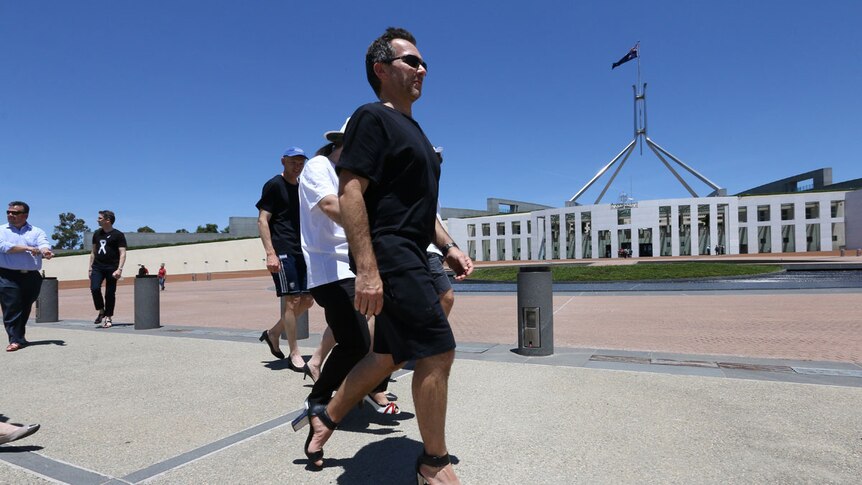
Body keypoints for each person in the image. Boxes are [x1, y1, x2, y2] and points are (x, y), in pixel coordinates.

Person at [304, 28, 473, 485]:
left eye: (424, 64)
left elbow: (421, 206)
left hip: (415, 251)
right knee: (438, 351)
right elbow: (351, 192)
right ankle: (433, 463)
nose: (422, 69)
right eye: (411, 61)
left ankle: (326, 416)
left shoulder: (415, 131)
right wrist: (367, 269)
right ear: (381, 69)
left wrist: (448, 245)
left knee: (386, 356)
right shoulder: (371, 118)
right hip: (392, 253)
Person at [293, 120, 397, 430]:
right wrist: (376, 225)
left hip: (353, 265)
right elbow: (329, 205)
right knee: (356, 343)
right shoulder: (318, 166)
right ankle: (321, 400)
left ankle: (353, 392)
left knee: (374, 336)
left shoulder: (350, 176)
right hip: (330, 268)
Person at [256, 146, 315, 372]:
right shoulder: (274, 185)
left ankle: (273, 333)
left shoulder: (302, 188)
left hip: (303, 251)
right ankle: (295, 352)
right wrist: (270, 253)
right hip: (283, 250)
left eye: (301, 162)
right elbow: (262, 220)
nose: (297, 166)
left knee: (308, 300)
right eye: (293, 161)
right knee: (291, 301)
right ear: (283, 161)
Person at [1, 201, 54, 352]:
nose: (10, 215)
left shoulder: (36, 231)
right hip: (7, 275)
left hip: (31, 276)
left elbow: (43, 243)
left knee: (24, 307)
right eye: (8, 212)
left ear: (25, 215)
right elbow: (4, 247)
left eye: (15, 213)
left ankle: (19, 337)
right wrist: (28, 248)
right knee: (11, 307)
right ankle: (14, 339)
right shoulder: (1, 230)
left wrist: (45, 251)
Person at [89, 210, 127, 328]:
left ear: (107, 220)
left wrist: (119, 269)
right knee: (95, 288)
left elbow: (123, 253)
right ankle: (101, 310)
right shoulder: (96, 234)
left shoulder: (118, 235)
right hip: (97, 267)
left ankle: (108, 317)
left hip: (112, 268)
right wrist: (90, 268)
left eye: (100, 218)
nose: (97, 220)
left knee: (110, 293)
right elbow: (93, 252)